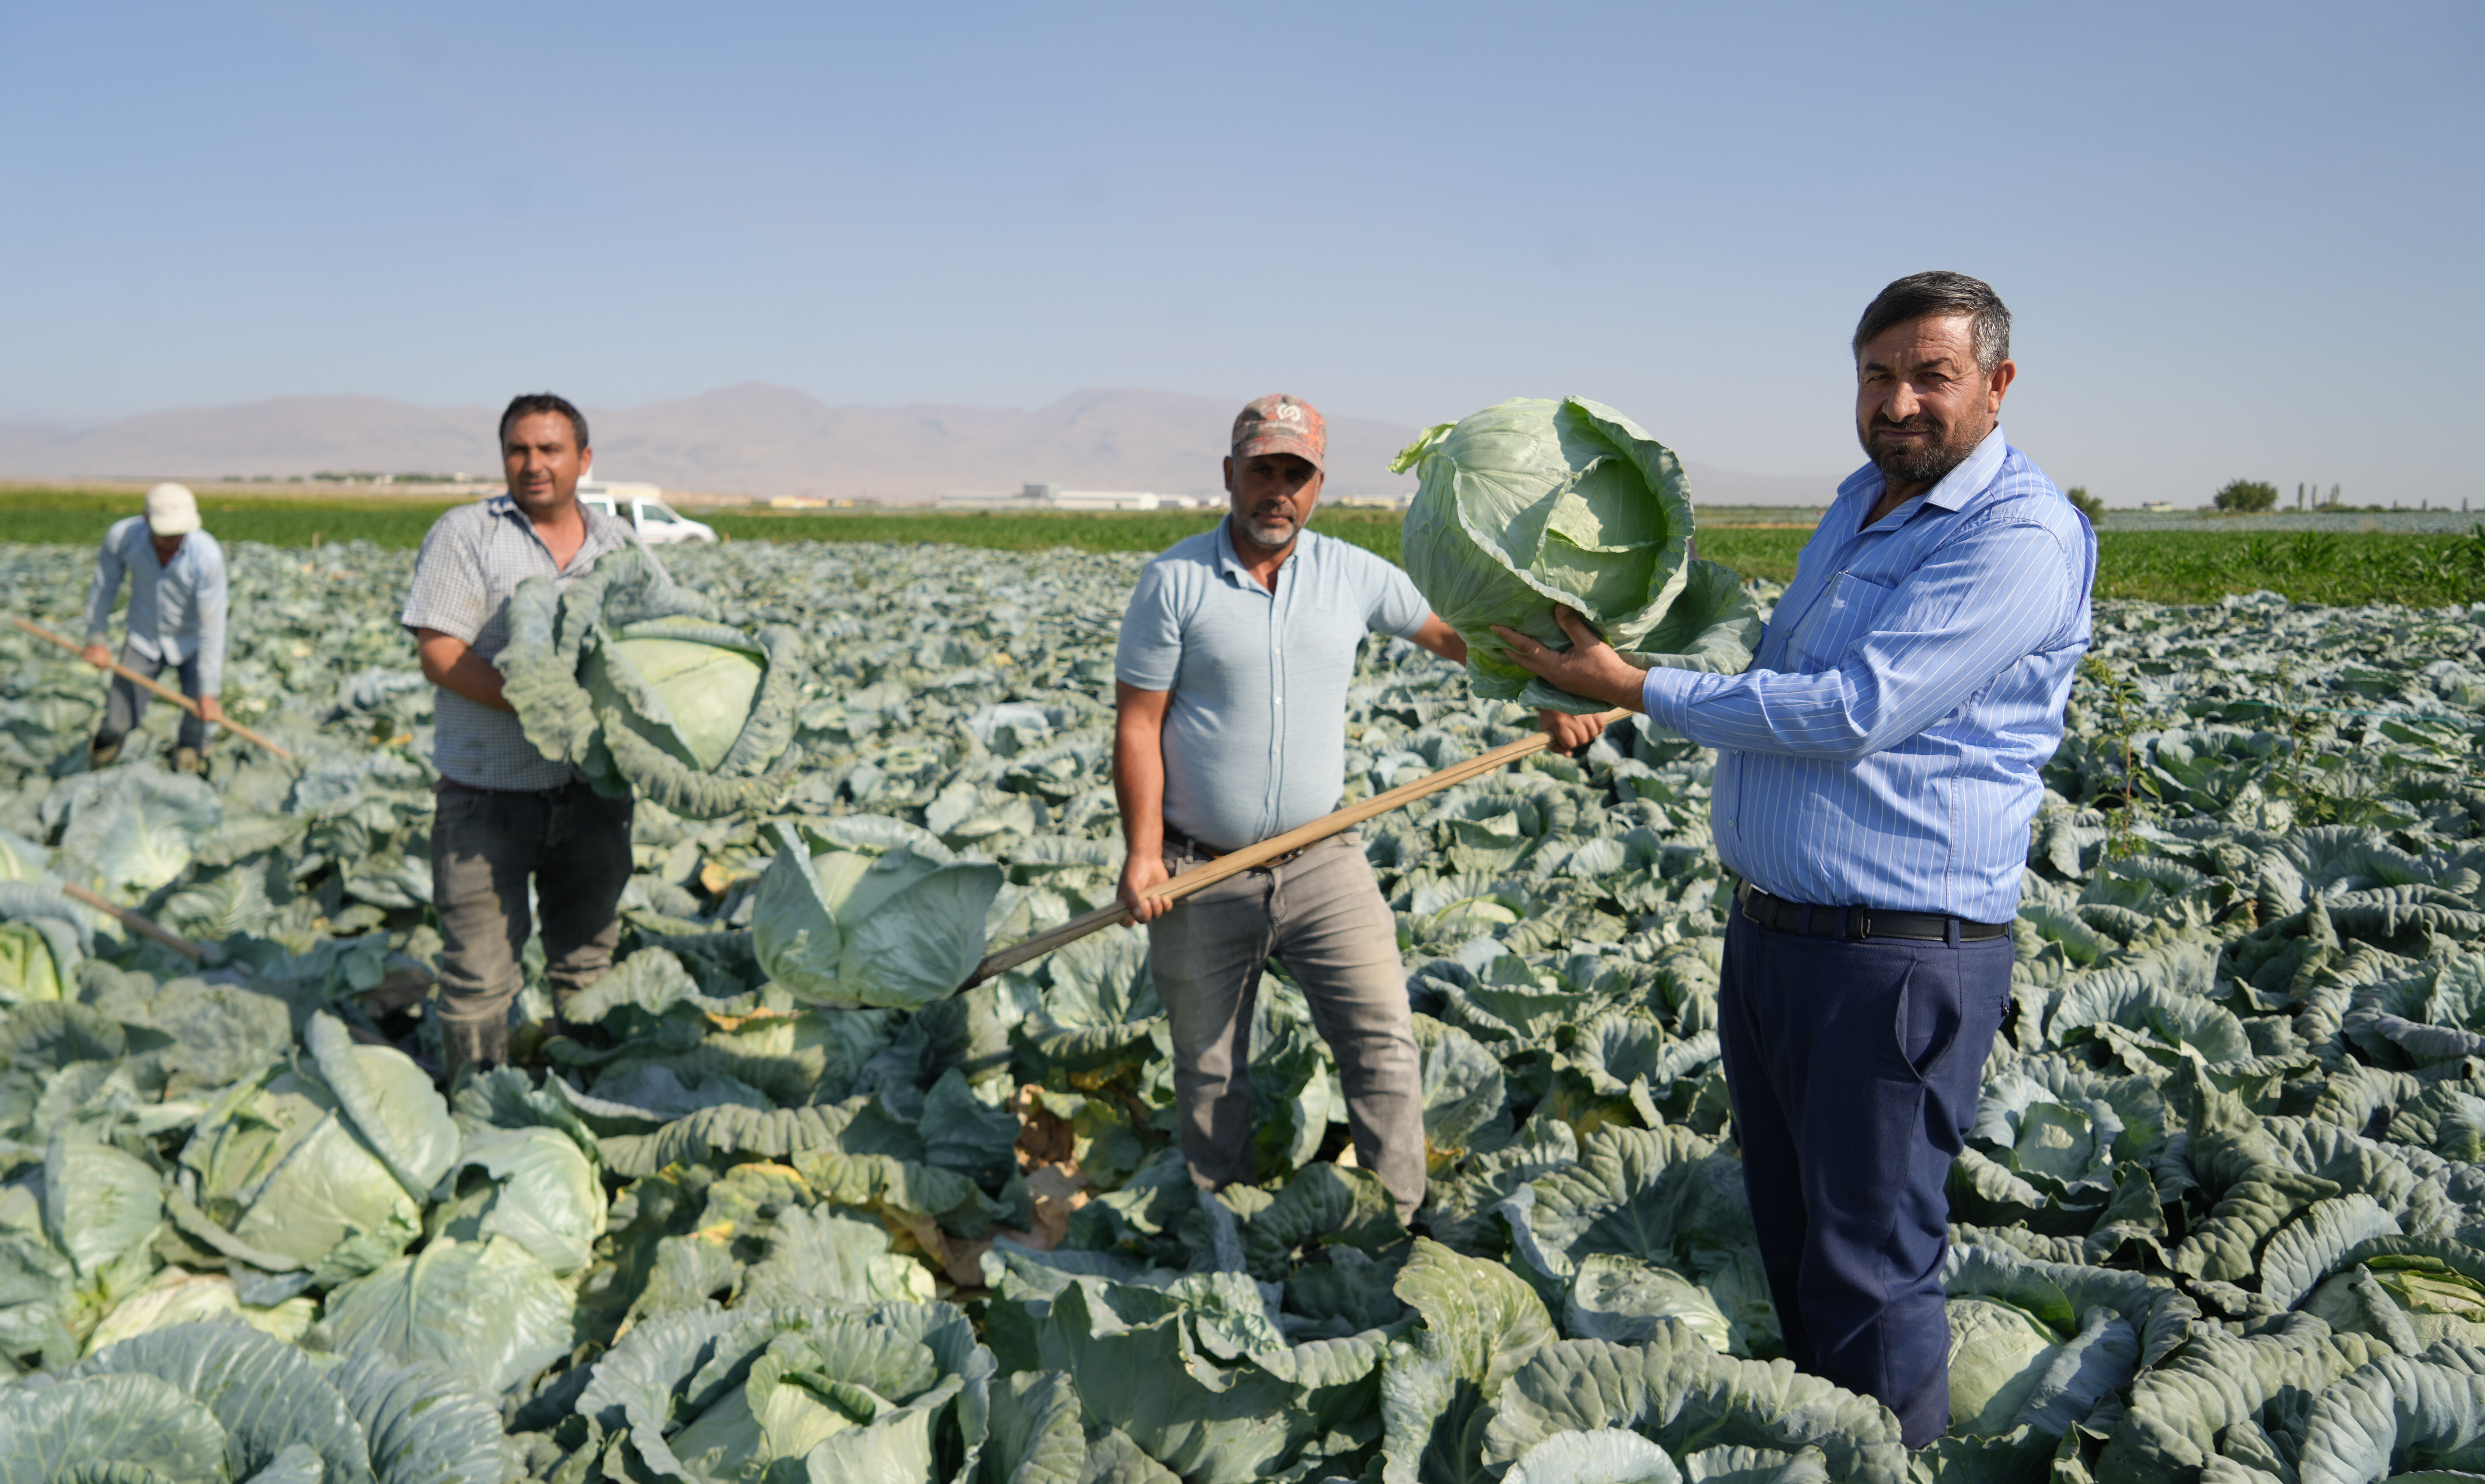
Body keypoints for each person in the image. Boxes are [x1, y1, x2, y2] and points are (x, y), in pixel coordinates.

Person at [1488, 272, 2097, 1446]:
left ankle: (1888, 1464)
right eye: (1878, 376)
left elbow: (1850, 709)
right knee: (1797, 1249)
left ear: (1997, 384)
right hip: (1776, 942)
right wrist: (1624, 658)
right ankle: (1828, 1454)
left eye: (1932, 375)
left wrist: (1639, 688)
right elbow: (1771, 664)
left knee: (1871, 1276)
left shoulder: (2017, 533)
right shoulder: (1854, 502)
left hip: (1896, 961)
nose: (1901, 401)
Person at [1114, 393, 1606, 1224]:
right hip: (1202, 868)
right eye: (1262, 470)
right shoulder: (1175, 583)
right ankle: (1221, 1227)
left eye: (1295, 474)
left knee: (1382, 1040)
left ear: (1318, 485)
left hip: (1323, 860)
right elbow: (1139, 721)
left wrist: (1547, 695)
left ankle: (1398, 1220)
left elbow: (1458, 637)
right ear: (1230, 475)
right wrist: (1144, 852)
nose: (1278, 489)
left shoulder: (1351, 573)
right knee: (1207, 1066)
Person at [401, 392, 664, 1082]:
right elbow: (440, 652)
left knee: (586, 964)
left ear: (584, 460)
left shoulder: (620, 546)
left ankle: (590, 1095)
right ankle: (477, 1107)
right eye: (519, 450)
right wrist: (540, 705)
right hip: (487, 796)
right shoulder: (467, 534)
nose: (533, 464)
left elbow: (658, 647)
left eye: (550, 450)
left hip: (594, 799)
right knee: (479, 977)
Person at [81, 483, 228, 773]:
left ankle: (189, 761)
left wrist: (209, 690)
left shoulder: (207, 555)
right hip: (143, 637)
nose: (173, 540)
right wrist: (96, 639)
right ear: (146, 520)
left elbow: (213, 625)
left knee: (198, 717)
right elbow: (104, 588)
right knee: (117, 720)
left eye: (179, 534)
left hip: (193, 641)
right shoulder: (123, 538)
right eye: (166, 534)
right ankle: (97, 765)